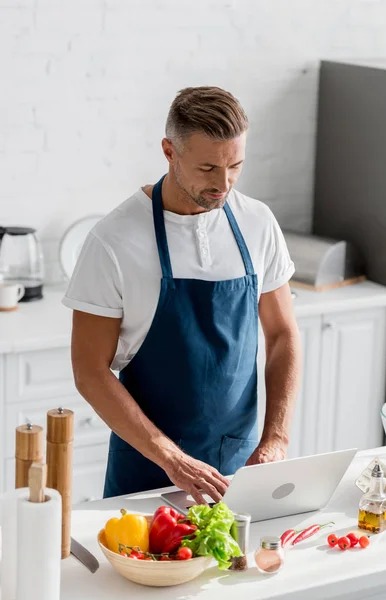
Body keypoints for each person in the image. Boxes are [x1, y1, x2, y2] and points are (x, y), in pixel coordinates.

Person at [63, 86, 301, 504]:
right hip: (147, 469)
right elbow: (89, 371)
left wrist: (276, 438)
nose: (222, 184)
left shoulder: (257, 223)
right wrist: (172, 458)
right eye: (208, 168)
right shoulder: (114, 241)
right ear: (169, 152)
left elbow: (283, 334)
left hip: (239, 470)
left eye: (235, 166)